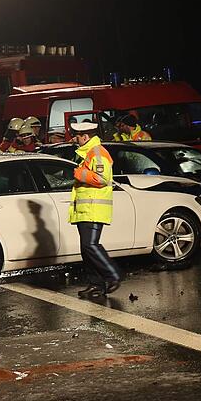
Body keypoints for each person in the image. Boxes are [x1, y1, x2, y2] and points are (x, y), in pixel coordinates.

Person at [69, 120, 121, 297]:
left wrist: (79, 173)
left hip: (94, 208)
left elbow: (102, 178)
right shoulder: (87, 153)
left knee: (90, 245)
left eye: (77, 136)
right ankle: (95, 284)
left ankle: (112, 275)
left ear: (85, 136)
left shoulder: (97, 152)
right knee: (86, 248)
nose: (75, 139)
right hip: (86, 208)